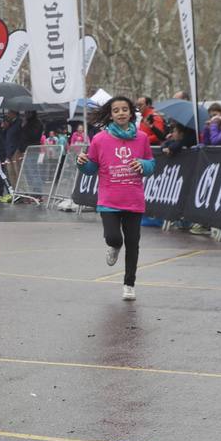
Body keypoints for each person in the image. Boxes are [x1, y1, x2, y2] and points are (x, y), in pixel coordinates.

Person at [77, 95, 156, 301]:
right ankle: (114, 246)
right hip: (109, 199)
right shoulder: (100, 139)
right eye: (116, 110)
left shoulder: (142, 138)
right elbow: (91, 168)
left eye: (124, 109)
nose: (121, 113)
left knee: (133, 243)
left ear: (131, 112)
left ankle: (129, 284)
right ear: (110, 115)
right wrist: (82, 163)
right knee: (114, 238)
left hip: (133, 199)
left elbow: (151, 165)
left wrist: (143, 165)